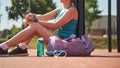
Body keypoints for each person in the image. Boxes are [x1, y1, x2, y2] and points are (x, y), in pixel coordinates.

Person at [0, 0, 78, 56]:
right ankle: (22, 47)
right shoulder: (60, 10)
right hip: (55, 41)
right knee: (35, 26)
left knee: (36, 25)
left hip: (63, 43)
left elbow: (55, 25)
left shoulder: (72, 10)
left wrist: (35, 20)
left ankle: (4, 46)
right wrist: (31, 17)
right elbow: (43, 17)